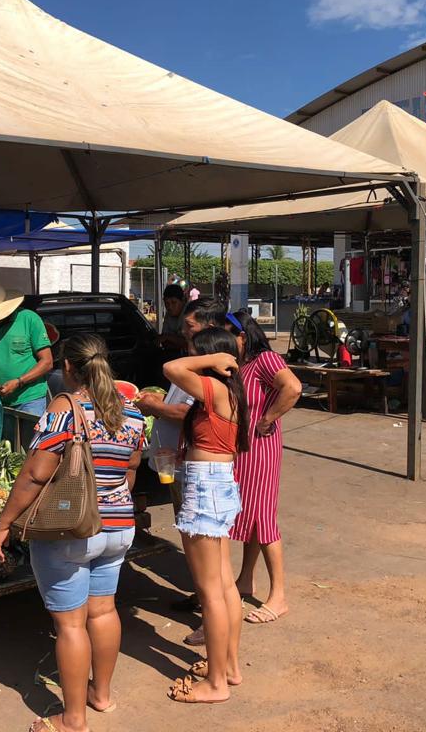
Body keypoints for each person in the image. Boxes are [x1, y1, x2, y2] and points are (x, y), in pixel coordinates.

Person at [0, 333, 146, 732]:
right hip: (119, 528)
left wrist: (5, 522)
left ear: (67, 368)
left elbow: (34, 474)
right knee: (105, 611)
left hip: (71, 530)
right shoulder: (131, 411)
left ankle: (72, 719)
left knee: (71, 625)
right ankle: (102, 696)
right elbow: (130, 472)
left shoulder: (64, 409)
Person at [163, 328, 250, 704]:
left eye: (199, 353)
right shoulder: (230, 393)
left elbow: (172, 367)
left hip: (205, 486)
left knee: (210, 592)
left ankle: (215, 684)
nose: (192, 356)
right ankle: (228, 667)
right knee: (225, 585)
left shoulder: (214, 389)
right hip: (219, 483)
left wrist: (209, 361)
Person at [136, 298, 226, 620]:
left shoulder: (207, 372)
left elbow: (186, 411)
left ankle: (210, 610)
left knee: (205, 547)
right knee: (191, 541)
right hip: (179, 462)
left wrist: (155, 408)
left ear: (209, 327)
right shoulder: (193, 365)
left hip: (195, 470)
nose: (183, 333)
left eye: (190, 327)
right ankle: (202, 594)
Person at [224, 311, 301, 624]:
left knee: (263, 519)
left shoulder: (265, 359)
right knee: (249, 514)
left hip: (262, 449)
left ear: (244, 336)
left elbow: (293, 388)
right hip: (244, 450)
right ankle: (245, 579)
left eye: (231, 339)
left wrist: (268, 418)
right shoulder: (240, 365)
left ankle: (278, 595)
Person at [0, 284, 53, 416]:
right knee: (2, 437)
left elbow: (47, 362)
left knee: (29, 436)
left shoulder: (29, 319)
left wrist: (19, 382)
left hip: (30, 399)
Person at [159, 283, 187, 354]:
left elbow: (189, 343)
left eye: (174, 302)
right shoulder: (169, 314)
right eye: (167, 303)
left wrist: (168, 337)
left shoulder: (190, 312)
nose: (170, 307)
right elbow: (164, 341)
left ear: (183, 300)